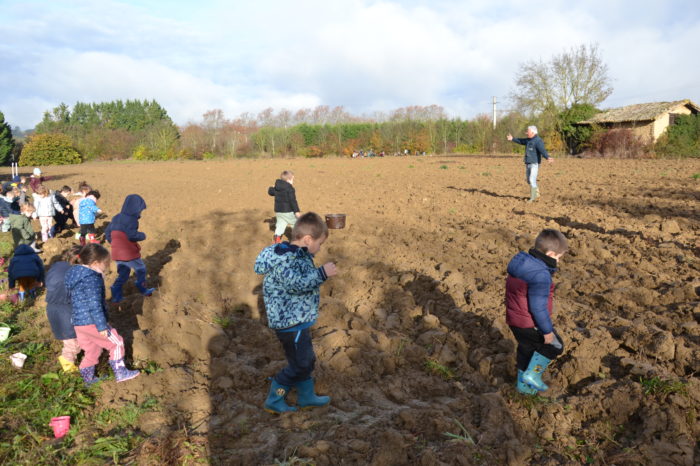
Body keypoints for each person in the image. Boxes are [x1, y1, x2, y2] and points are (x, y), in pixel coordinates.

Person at [254, 212, 338, 413]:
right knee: (302, 363)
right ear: (308, 239)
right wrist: (322, 273)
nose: (319, 249)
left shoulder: (297, 254)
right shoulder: (286, 259)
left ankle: (306, 396)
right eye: (320, 243)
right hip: (289, 323)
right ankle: (275, 398)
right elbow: (296, 284)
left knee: (303, 360)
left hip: (297, 320)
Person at [65, 243, 140, 385]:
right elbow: (94, 304)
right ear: (95, 263)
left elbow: (71, 299)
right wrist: (101, 326)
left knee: (92, 350)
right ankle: (121, 372)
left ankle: (88, 378)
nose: (107, 266)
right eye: (106, 263)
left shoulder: (74, 274)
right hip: (92, 322)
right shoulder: (92, 278)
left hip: (78, 323)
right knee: (117, 343)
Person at [505, 229, 568, 394]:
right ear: (551, 253)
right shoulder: (541, 275)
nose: (559, 261)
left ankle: (523, 388)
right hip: (529, 322)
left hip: (514, 320)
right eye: (558, 257)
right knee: (556, 345)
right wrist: (546, 331)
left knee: (526, 348)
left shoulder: (522, 262)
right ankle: (532, 376)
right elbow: (538, 307)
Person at [104, 194, 155, 302]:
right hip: (129, 253)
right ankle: (142, 287)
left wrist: (113, 242)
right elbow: (131, 235)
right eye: (140, 210)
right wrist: (142, 235)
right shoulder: (132, 220)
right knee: (141, 269)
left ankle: (116, 293)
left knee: (123, 274)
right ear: (135, 209)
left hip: (117, 253)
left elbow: (108, 232)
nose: (140, 213)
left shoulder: (116, 217)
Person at [45, 249, 81, 372]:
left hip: (52, 307)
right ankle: (68, 367)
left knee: (68, 338)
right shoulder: (73, 272)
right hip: (66, 310)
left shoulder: (56, 266)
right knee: (72, 342)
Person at [507, 126, 553, 202]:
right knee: (529, 180)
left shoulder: (538, 141)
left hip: (535, 163)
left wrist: (547, 157)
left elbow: (542, 150)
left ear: (532, 132)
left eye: (527, 131)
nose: (526, 133)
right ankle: (536, 193)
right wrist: (512, 139)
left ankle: (533, 198)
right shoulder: (528, 140)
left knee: (532, 179)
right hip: (528, 163)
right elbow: (521, 141)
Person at [267, 170, 301, 244]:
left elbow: (270, 192)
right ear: (288, 180)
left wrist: (271, 187)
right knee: (295, 223)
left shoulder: (277, 187)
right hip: (288, 211)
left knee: (280, 224)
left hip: (279, 211)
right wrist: (296, 211)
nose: (293, 181)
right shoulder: (290, 188)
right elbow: (293, 201)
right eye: (292, 179)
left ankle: (277, 237)